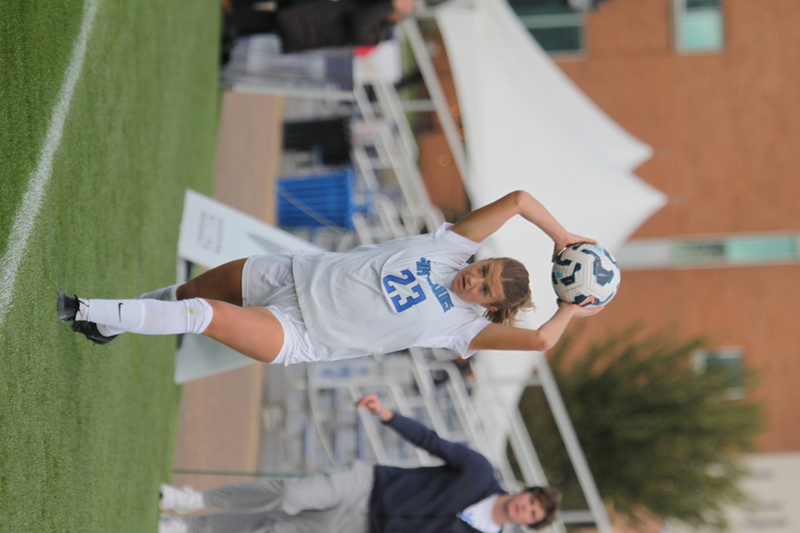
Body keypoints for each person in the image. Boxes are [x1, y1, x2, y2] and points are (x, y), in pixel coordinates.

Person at [57, 190, 603, 366]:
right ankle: (110, 324)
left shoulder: (464, 328)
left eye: (484, 290)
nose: (474, 281)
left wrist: (573, 305)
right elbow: (519, 200)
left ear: (488, 307)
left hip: (302, 334)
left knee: (202, 315)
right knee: (188, 293)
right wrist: (561, 237)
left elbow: (539, 341)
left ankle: (81, 309)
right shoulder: (449, 248)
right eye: (482, 270)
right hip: (291, 273)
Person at [157, 394, 561, 533]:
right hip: (367, 484)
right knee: (292, 493)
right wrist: (387, 415)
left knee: (273, 529)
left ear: (527, 524)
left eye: (532, 515)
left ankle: (187, 527)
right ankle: (192, 499)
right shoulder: (480, 472)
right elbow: (431, 442)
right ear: (525, 492)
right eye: (531, 501)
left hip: (360, 528)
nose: (525, 508)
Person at [223, 0, 416, 56]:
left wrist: (390, 6)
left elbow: (359, 22)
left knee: (271, 23)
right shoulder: (375, 9)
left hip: (309, 30)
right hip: (309, 18)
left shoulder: (376, 34)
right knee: (270, 22)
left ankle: (231, 23)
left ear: (397, 17)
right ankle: (232, 24)